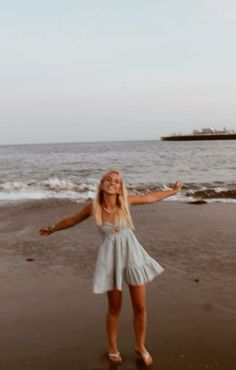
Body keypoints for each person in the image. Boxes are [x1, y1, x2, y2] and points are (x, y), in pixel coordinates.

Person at [39, 170, 182, 366]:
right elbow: (72, 220)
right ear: (102, 183)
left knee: (139, 307)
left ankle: (140, 346)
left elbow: (150, 197)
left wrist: (172, 192)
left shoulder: (126, 201)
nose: (112, 183)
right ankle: (113, 348)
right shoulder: (94, 207)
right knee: (114, 307)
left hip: (133, 255)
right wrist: (52, 228)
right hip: (110, 259)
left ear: (120, 186)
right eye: (108, 179)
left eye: (117, 181)